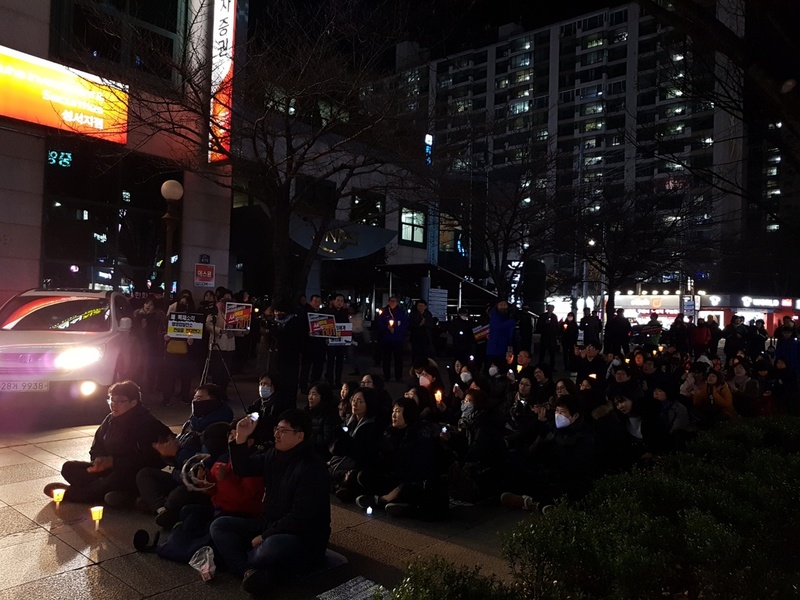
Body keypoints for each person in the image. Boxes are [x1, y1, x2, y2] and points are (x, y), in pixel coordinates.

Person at [209, 409, 331, 595]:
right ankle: (247, 571)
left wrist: (264, 536)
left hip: (302, 537)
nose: (276, 434)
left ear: (299, 436)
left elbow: (301, 517)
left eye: (283, 431)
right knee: (219, 525)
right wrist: (241, 437)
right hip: (268, 523)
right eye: (276, 429)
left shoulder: (312, 468)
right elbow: (243, 468)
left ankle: (240, 561)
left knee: (269, 549)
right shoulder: (274, 455)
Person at [43, 380, 171, 505]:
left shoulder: (147, 424)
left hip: (130, 474)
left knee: (111, 480)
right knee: (69, 468)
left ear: (133, 403)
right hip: (107, 469)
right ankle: (113, 494)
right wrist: (98, 460)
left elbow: (149, 459)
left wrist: (113, 462)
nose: (113, 405)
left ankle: (73, 494)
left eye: (120, 401)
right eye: (111, 400)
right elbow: (97, 443)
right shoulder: (110, 419)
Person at [136, 384, 233, 520]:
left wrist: (176, 453)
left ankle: (161, 507)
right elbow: (181, 445)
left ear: (214, 401)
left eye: (200, 398)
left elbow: (202, 466)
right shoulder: (191, 423)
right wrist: (168, 448)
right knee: (144, 474)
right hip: (179, 472)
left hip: (196, 480)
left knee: (178, 495)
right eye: (194, 398)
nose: (195, 403)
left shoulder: (217, 430)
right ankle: (162, 509)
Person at [376, 296, 408, 382]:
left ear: (397, 302)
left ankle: (399, 376)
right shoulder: (383, 312)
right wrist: (387, 327)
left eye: (394, 301)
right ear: (388, 302)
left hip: (397, 339)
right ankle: (386, 376)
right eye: (391, 301)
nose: (392, 303)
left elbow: (404, 325)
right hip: (386, 339)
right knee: (386, 358)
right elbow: (379, 324)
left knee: (398, 359)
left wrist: (396, 329)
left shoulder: (401, 313)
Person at [306, 382, 341, 461]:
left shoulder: (330, 414)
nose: (310, 397)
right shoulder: (308, 412)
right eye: (309, 394)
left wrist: (305, 436)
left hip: (321, 456)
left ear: (323, 396)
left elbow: (327, 439)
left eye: (314, 394)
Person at [299, 294, 326, 394]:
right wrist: (307, 333)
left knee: (318, 367)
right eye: (315, 301)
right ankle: (303, 386)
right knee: (306, 366)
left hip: (319, 345)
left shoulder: (323, 314)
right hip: (308, 344)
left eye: (319, 301)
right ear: (311, 302)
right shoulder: (305, 312)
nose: (317, 303)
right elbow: (301, 327)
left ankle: (315, 386)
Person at [486, 300, 516, 373]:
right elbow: (498, 326)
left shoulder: (507, 316)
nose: (503, 307)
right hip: (495, 349)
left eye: (505, 305)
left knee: (504, 369)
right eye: (501, 305)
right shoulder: (494, 315)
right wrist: (512, 321)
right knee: (493, 370)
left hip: (505, 348)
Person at [409, 299, 435, 364]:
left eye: (422, 305)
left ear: (425, 306)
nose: (420, 307)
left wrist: (425, 324)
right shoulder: (413, 315)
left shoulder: (428, 315)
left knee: (426, 353)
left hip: (426, 338)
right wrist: (419, 324)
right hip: (416, 337)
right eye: (418, 305)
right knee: (416, 354)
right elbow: (410, 325)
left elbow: (431, 325)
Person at [536, 304, 560, 370]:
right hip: (544, 336)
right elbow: (538, 327)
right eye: (550, 308)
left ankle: (552, 366)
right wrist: (545, 323)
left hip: (552, 337)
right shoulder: (542, 316)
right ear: (547, 309)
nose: (551, 310)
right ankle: (540, 365)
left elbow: (556, 326)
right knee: (542, 352)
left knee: (552, 353)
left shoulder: (554, 316)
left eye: (552, 308)